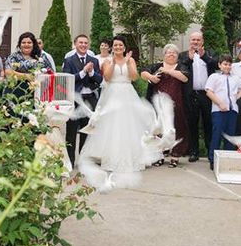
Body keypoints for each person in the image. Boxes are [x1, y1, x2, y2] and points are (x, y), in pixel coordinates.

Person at [78, 35, 155, 189]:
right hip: (112, 93)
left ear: (124, 47)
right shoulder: (107, 61)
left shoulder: (131, 60)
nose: (118, 47)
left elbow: (133, 77)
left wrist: (128, 62)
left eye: (120, 45)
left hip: (127, 93)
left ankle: (131, 157)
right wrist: (113, 62)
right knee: (110, 126)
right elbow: (106, 77)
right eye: (115, 45)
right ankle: (109, 157)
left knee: (128, 125)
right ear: (112, 47)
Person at [141, 43, 190, 167]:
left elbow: (184, 78)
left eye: (174, 52)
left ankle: (175, 156)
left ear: (177, 56)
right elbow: (143, 73)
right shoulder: (156, 66)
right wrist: (151, 77)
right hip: (159, 105)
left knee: (177, 129)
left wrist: (167, 70)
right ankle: (159, 156)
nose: (171, 54)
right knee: (159, 130)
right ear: (164, 55)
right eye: (169, 52)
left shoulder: (181, 66)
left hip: (177, 104)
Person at [62, 34, 103, 167]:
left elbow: (100, 79)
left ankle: (84, 162)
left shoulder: (94, 60)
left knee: (87, 131)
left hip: (89, 98)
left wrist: (91, 73)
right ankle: (70, 162)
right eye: (81, 43)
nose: (83, 45)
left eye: (86, 43)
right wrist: (83, 72)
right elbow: (66, 80)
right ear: (75, 44)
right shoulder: (69, 60)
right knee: (71, 132)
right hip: (74, 99)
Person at [205, 54, 241, 170]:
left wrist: (238, 96)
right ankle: (213, 159)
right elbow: (209, 92)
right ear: (220, 65)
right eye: (225, 64)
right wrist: (220, 103)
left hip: (232, 110)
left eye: (230, 64)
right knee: (217, 134)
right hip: (218, 111)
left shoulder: (235, 78)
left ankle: (228, 158)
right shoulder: (214, 77)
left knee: (230, 136)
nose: (227, 67)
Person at [178, 31, 217, 162]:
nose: (195, 42)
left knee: (208, 123)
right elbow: (181, 68)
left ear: (202, 42)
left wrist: (204, 56)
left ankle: (210, 151)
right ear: (190, 41)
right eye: (193, 40)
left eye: (198, 40)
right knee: (192, 124)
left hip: (207, 95)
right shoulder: (183, 55)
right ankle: (194, 151)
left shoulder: (210, 53)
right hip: (191, 95)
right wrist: (189, 58)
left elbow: (215, 65)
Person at [5, 32, 53, 103]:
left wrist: (38, 77)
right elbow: (8, 72)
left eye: (29, 42)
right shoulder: (14, 57)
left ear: (34, 44)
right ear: (19, 44)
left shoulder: (41, 56)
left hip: (37, 92)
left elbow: (50, 72)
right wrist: (27, 76)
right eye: (23, 42)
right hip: (15, 91)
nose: (26, 44)